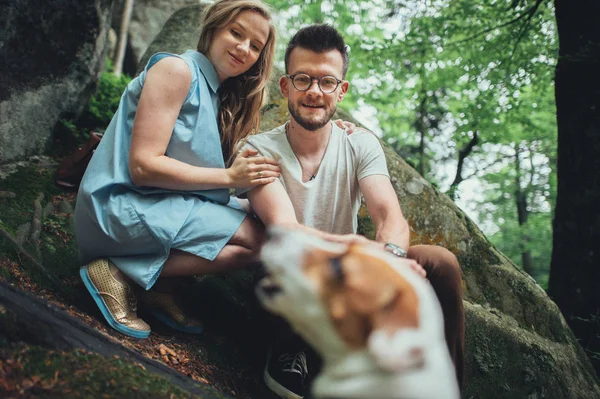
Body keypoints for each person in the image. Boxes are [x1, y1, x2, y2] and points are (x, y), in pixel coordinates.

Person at [236, 24, 465, 399]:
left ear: (341, 90)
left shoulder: (359, 143)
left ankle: (445, 389)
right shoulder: (256, 149)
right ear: (285, 86)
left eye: (327, 82)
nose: (314, 91)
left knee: (440, 263)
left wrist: (388, 260)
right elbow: (286, 230)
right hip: (296, 275)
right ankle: (294, 351)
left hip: (352, 270)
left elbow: (389, 216)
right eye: (303, 79)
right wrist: (361, 255)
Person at [74, 0, 281, 339]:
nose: (244, 48)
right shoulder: (177, 70)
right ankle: (120, 271)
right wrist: (230, 178)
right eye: (236, 33)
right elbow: (143, 166)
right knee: (256, 242)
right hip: (117, 208)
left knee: (259, 218)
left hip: (151, 206)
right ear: (214, 28)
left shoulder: (215, 93)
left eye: (255, 46)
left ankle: (154, 285)